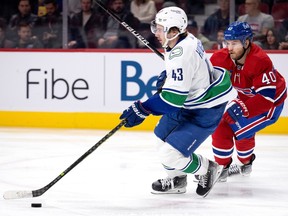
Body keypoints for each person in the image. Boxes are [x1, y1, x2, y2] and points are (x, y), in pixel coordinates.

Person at [119, 6, 237, 197]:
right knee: (160, 139)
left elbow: (172, 100)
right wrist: (169, 75)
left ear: (174, 30)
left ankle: (207, 169)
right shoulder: (184, 39)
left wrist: (142, 109)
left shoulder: (181, 53)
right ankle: (177, 180)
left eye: (160, 28)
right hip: (189, 102)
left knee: (169, 154)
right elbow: (188, 71)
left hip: (203, 110)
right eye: (156, 27)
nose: (156, 32)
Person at [210, 21, 287, 182]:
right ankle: (234, 165)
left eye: (235, 43)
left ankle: (233, 165)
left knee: (231, 127)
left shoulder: (259, 60)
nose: (229, 48)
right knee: (232, 126)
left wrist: (244, 108)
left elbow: (266, 98)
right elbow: (205, 78)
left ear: (246, 42)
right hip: (246, 97)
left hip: (270, 105)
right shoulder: (221, 57)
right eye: (228, 42)